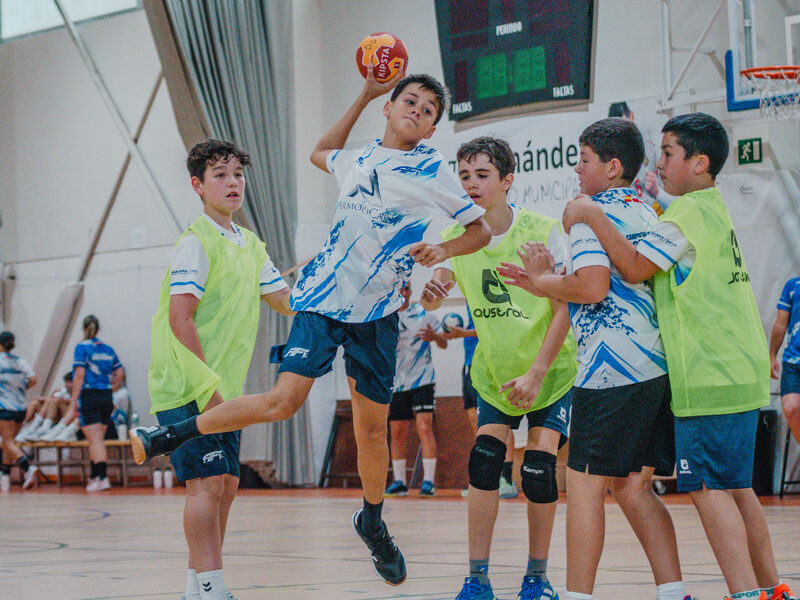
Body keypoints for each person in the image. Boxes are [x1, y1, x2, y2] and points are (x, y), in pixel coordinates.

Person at [132, 69, 490, 587]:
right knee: (283, 401)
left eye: (428, 110)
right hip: (321, 301)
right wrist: (364, 92)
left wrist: (443, 252)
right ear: (389, 108)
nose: (416, 110)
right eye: (408, 100)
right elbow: (321, 150)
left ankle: (372, 519)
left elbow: (478, 230)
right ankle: (170, 434)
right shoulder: (357, 158)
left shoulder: (432, 170)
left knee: (372, 430)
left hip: (379, 312)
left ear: (432, 128)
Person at [561, 113, 796, 600]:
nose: (660, 163)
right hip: (738, 369)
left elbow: (630, 267)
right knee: (734, 487)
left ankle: (746, 594)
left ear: (699, 162)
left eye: (668, 153)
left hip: (707, 372)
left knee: (707, 488)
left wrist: (589, 214)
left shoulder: (683, 214)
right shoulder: (707, 209)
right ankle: (770, 587)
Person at [502, 117, 692, 600]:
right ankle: (674, 593)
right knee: (633, 488)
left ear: (610, 167)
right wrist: (542, 282)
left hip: (611, 370)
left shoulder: (588, 212)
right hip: (656, 365)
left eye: (583, 159)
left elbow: (592, 287)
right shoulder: (648, 211)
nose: (576, 168)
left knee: (585, 488)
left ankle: (577, 597)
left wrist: (544, 280)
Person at [421, 136, 576, 600]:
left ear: (507, 181)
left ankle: (537, 576)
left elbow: (566, 306)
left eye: (482, 175)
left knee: (538, 470)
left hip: (549, 374)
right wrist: (432, 294)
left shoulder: (543, 230)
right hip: (494, 376)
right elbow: (441, 281)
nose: (471, 184)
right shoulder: (458, 239)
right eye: (464, 175)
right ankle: (477, 578)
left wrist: (536, 373)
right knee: (485, 464)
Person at [146, 139, 293, 600]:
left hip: (226, 392)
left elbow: (287, 301)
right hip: (189, 387)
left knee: (227, 485)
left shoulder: (249, 244)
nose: (233, 184)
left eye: (238, 175)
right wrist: (208, 389)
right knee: (206, 486)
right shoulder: (196, 242)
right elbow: (179, 318)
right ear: (198, 185)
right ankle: (212, 589)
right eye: (220, 175)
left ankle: (197, 588)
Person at [385, 282, 447, 498]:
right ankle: (400, 481)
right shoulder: (386, 318)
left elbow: (444, 343)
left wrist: (435, 337)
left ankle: (428, 481)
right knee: (397, 431)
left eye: (407, 289)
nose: (403, 293)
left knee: (424, 427)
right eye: (400, 289)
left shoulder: (423, 313)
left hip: (423, 379)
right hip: (397, 382)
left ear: (410, 291)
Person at [69, 315, 124, 492]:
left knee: (95, 441)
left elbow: (79, 375)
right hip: (105, 396)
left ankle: (102, 477)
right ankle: (94, 476)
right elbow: (120, 372)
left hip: (89, 395)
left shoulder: (81, 347)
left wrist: (73, 399)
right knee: (96, 440)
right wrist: (110, 387)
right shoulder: (108, 349)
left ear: (84, 329)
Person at [608, 102, 674, 214]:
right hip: (636, 211)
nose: (623, 135)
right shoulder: (612, 149)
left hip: (659, 207)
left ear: (632, 116)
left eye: (625, 127)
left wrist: (658, 191)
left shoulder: (652, 138)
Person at [0, 331, 39, 488]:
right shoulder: (20, 361)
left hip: (4, 406)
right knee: (10, 444)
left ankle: (28, 468)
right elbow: (33, 379)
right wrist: (20, 388)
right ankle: (5, 476)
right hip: (21, 407)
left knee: (7, 443)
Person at [769, 277, 800, 444]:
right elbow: (781, 324)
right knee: (790, 406)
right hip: (793, 361)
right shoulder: (792, 285)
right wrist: (773, 354)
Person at [15, 371, 78, 442]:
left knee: (55, 400)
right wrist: (51, 395)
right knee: (35, 403)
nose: (67, 385)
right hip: (54, 417)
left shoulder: (79, 392)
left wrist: (49, 398)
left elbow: (73, 402)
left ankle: (42, 428)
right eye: (66, 382)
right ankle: (23, 428)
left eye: (70, 382)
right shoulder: (64, 392)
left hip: (67, 419)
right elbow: (51, 400)